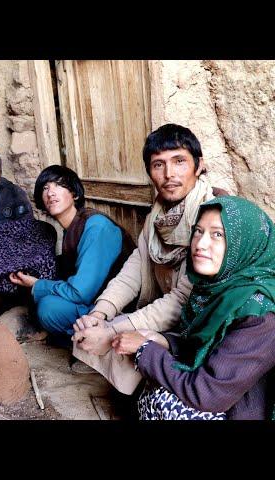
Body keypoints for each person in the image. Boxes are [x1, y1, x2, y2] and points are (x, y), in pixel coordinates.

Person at [72, 123, 226, 388]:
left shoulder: (212, 217)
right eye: (158, 165)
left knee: (122, 339)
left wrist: (112, 330)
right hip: (168, 311)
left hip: (202, 324)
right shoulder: (157, 216)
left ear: (198, 166)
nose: (169, 174)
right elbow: (133, 271)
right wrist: (100, 313)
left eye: (179, 161)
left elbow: (182, 301)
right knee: (94, 327)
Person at [112, 196, 275, 420]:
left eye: (217, 234)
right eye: (198, 231)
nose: (200, 244)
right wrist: (165, 341)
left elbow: (207, 393)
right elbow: (208, 347)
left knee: (166, 400)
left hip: (239, 409)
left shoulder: (259, 313)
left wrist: (146, 349)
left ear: (245, 243)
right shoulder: (217, 288)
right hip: (218, 394)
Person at [8, 165, 133, 345]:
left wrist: (37, 285)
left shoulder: (96, 227)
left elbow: (80, 293)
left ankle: (97, 343)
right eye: (45, 188)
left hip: (118, 307)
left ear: (74, 194)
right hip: (94, 297)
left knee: (48, 308)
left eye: (58, 185)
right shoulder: (70, 229)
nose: (51, 193)